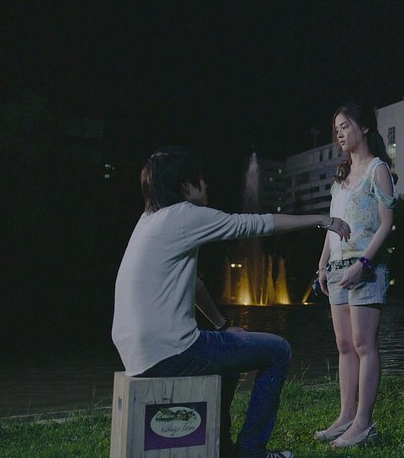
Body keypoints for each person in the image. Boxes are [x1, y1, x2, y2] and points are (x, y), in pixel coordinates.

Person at [112, 146, 350, 458]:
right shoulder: (184, 216)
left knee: (229, 360)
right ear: (185, 187)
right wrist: (321, 219)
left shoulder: (148, 220)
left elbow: (195, 285)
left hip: (136, 352)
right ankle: (252, 452)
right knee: (278, 351)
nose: (206, 185)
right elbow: (254, 223)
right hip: (171, 351)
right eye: (200, 179)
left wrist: (223, 326)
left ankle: (222, 447)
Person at [313, 104, 397, 449]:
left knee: (364, 344)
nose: (340, 133)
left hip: (365, 268)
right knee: (344, 346)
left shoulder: (378, 169)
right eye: (337, 129)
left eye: (345, 126)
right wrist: (322, 264)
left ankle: (363, 423)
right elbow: (332, 225)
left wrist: (363, 263)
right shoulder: (341, 176)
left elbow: (386, 225)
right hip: (336, 269)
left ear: (363, 128)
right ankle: (346, 416)